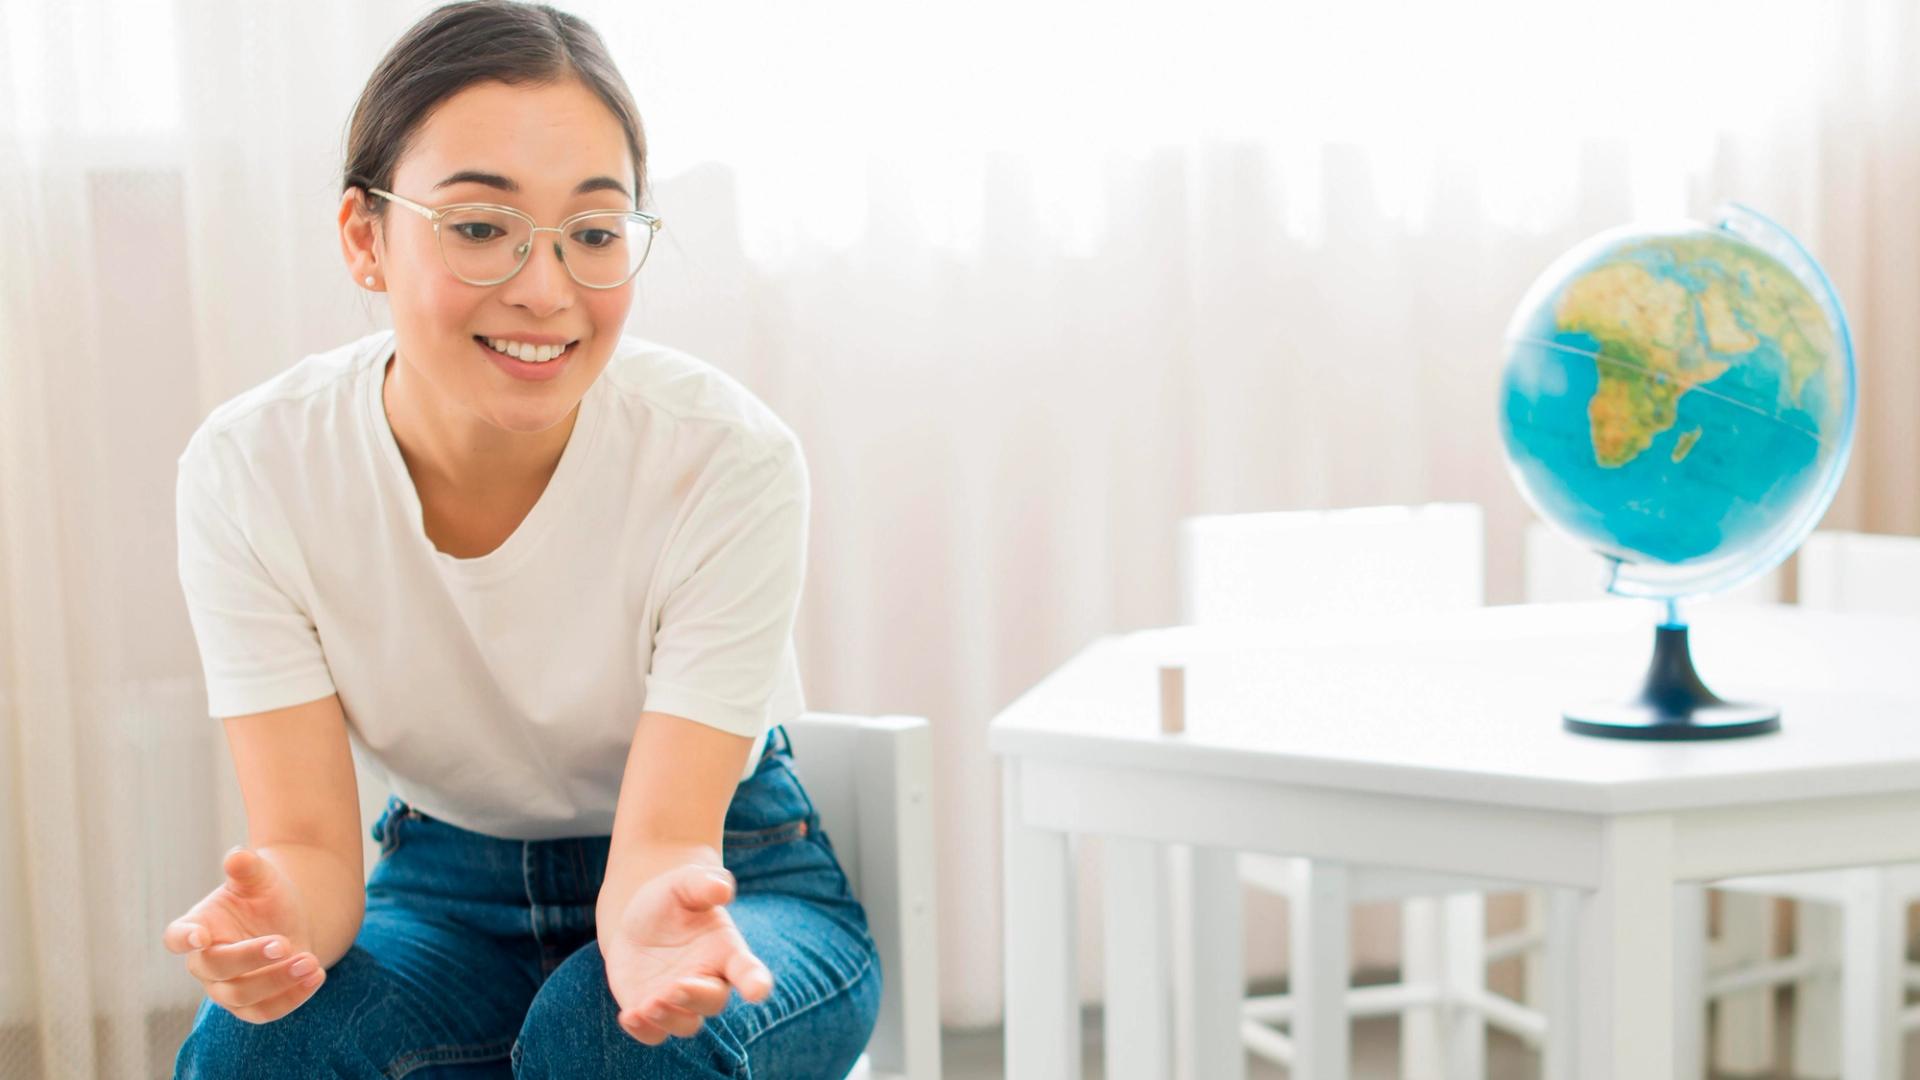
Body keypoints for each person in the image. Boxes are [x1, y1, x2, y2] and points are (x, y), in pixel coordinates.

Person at [164, 3, 881, 1076]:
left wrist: (648, 929)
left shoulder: (727, 459)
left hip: (732, 875)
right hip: (444, 893)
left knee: (611, 1037)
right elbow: (309, 848)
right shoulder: (254, 469)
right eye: (479, 228)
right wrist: (274, 936)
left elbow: (665, 847)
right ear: (365, 237)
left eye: (593, 234)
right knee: (257, 1049)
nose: (545, 291)